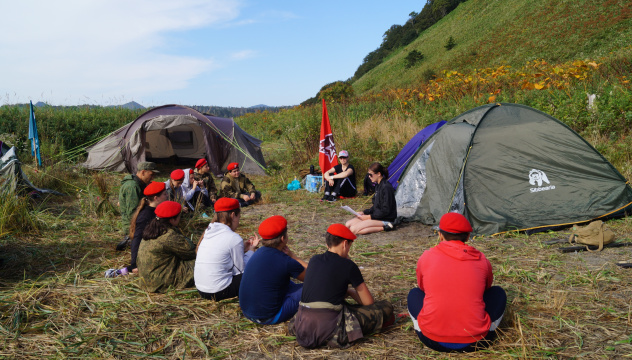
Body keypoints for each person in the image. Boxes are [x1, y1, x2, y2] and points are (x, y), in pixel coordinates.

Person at [408, 213, 507, 352]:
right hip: (477, 341)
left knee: (414, 293)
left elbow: (422, 288)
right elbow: (486, 289)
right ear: (467, 237)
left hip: (431, 340)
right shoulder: (482, 260)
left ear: (440, 235)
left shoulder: (426, 257)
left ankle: (423, 326)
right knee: (498, 293)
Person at [291, 224, 394, 348]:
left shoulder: (314, 260)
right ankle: (331, 337)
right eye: (350, 245)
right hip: (330, 326)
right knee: (386, 308)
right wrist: (350, 292)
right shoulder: (348, 266)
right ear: (345, 243)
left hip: (303, 324)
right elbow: (368, 302)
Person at [239, 215, 307, 325]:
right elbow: (313, 278)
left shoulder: (259, 252)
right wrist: (294, 256)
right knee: (312, 288)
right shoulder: (285, 261)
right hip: (268, 316)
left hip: (247, 312)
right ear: (282, 238)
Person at [195, 198, 260, 301]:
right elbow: (241, 271)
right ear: (233, 215)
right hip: (219, 291)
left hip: (201, 289)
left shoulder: (209, 232)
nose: (239, 221)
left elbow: (222, 255)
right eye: (239, 217)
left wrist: (242, 248)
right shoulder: (233, 238)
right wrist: (252, 250)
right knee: (258, 268)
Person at [105, 181, 168, 278]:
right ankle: (120, 272)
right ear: (156, 198)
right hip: (147, 252)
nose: (167, 196)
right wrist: (134, 263)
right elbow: (137, 238)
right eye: (165, 194)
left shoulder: (157, 211)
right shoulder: (145, 216)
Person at [136, 201, 196, 293]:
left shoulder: (151, 229)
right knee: (202, 263)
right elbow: (191, 252)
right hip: (160, 283)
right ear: (172, 220)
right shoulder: (168, 236)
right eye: (179, 216)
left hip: (145, 281)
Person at [117, 161, 159, 250]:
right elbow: (133, 213)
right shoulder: (132, 186)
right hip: (133, 225)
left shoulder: (140, 184)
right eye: (151, 174)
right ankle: (129, 239)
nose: (153, 177)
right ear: (143, 172)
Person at [345, 162, 397, 235]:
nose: (369, 177)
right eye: (368, 174)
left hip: (386, 218)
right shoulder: (378, 186)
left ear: (378, 174)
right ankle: (379, 225)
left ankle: (385, 227)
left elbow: (386, 210)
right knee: (348, 224)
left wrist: (369, 217)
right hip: (377, 216)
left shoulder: (386, 187)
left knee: (353, 229)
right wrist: (364, 212)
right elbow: (376, 206)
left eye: (370, 174)